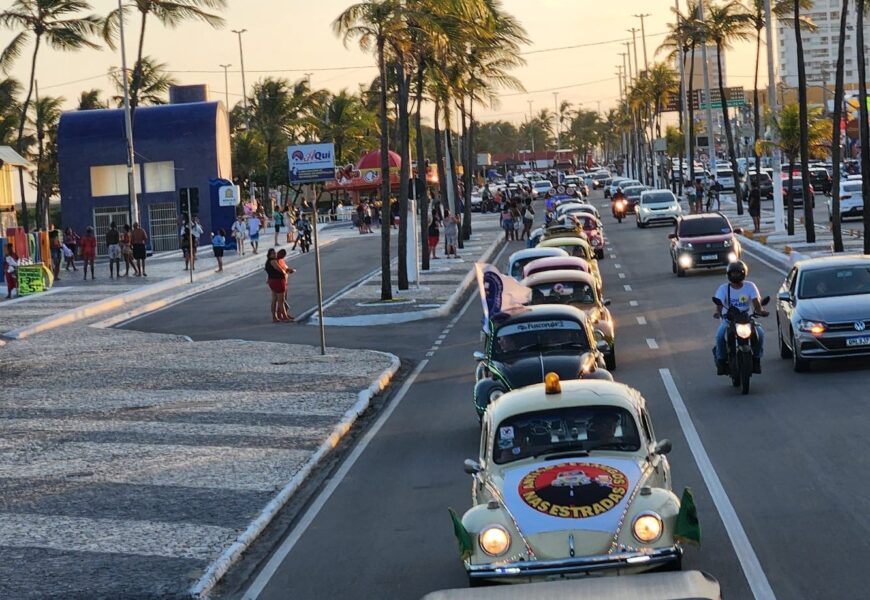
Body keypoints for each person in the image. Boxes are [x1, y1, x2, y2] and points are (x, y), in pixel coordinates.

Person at [713, 260, 768, 375]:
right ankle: (721, 361)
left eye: (738, 273)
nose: (735, 276)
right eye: (733, 273)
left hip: (746, 319)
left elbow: (756, 304)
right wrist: (718, 312)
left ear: (743, 273)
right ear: (728, 274)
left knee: (761, 334)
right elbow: (719, 304)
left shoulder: (750, 286)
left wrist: (761, 311)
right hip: (729, 319)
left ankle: (756, 359)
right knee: (719, 336)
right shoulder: (723, 288)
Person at [264, 248, 291, 322]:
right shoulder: (273, 261)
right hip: (278, 281)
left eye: (275, 253)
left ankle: (275, 317)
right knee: (281, 301)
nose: (275, 254)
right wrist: (284, 273)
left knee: (274, 300)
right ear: (269, 255)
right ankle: (285, 317)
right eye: (273, 253)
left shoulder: (268, 262)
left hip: (272, 281)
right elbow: (279, 269)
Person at [276, 248, 296, 319]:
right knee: (281, 300)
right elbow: (280, 271)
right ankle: (283, 315)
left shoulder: (281, 260)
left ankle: (283, 314)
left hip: (285, 282)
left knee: (284, 299)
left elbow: (285, 268)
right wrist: (286, 271)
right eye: (281, 255)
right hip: (279, 282)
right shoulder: (276, 261)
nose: (282, 257)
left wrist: (290, 270)